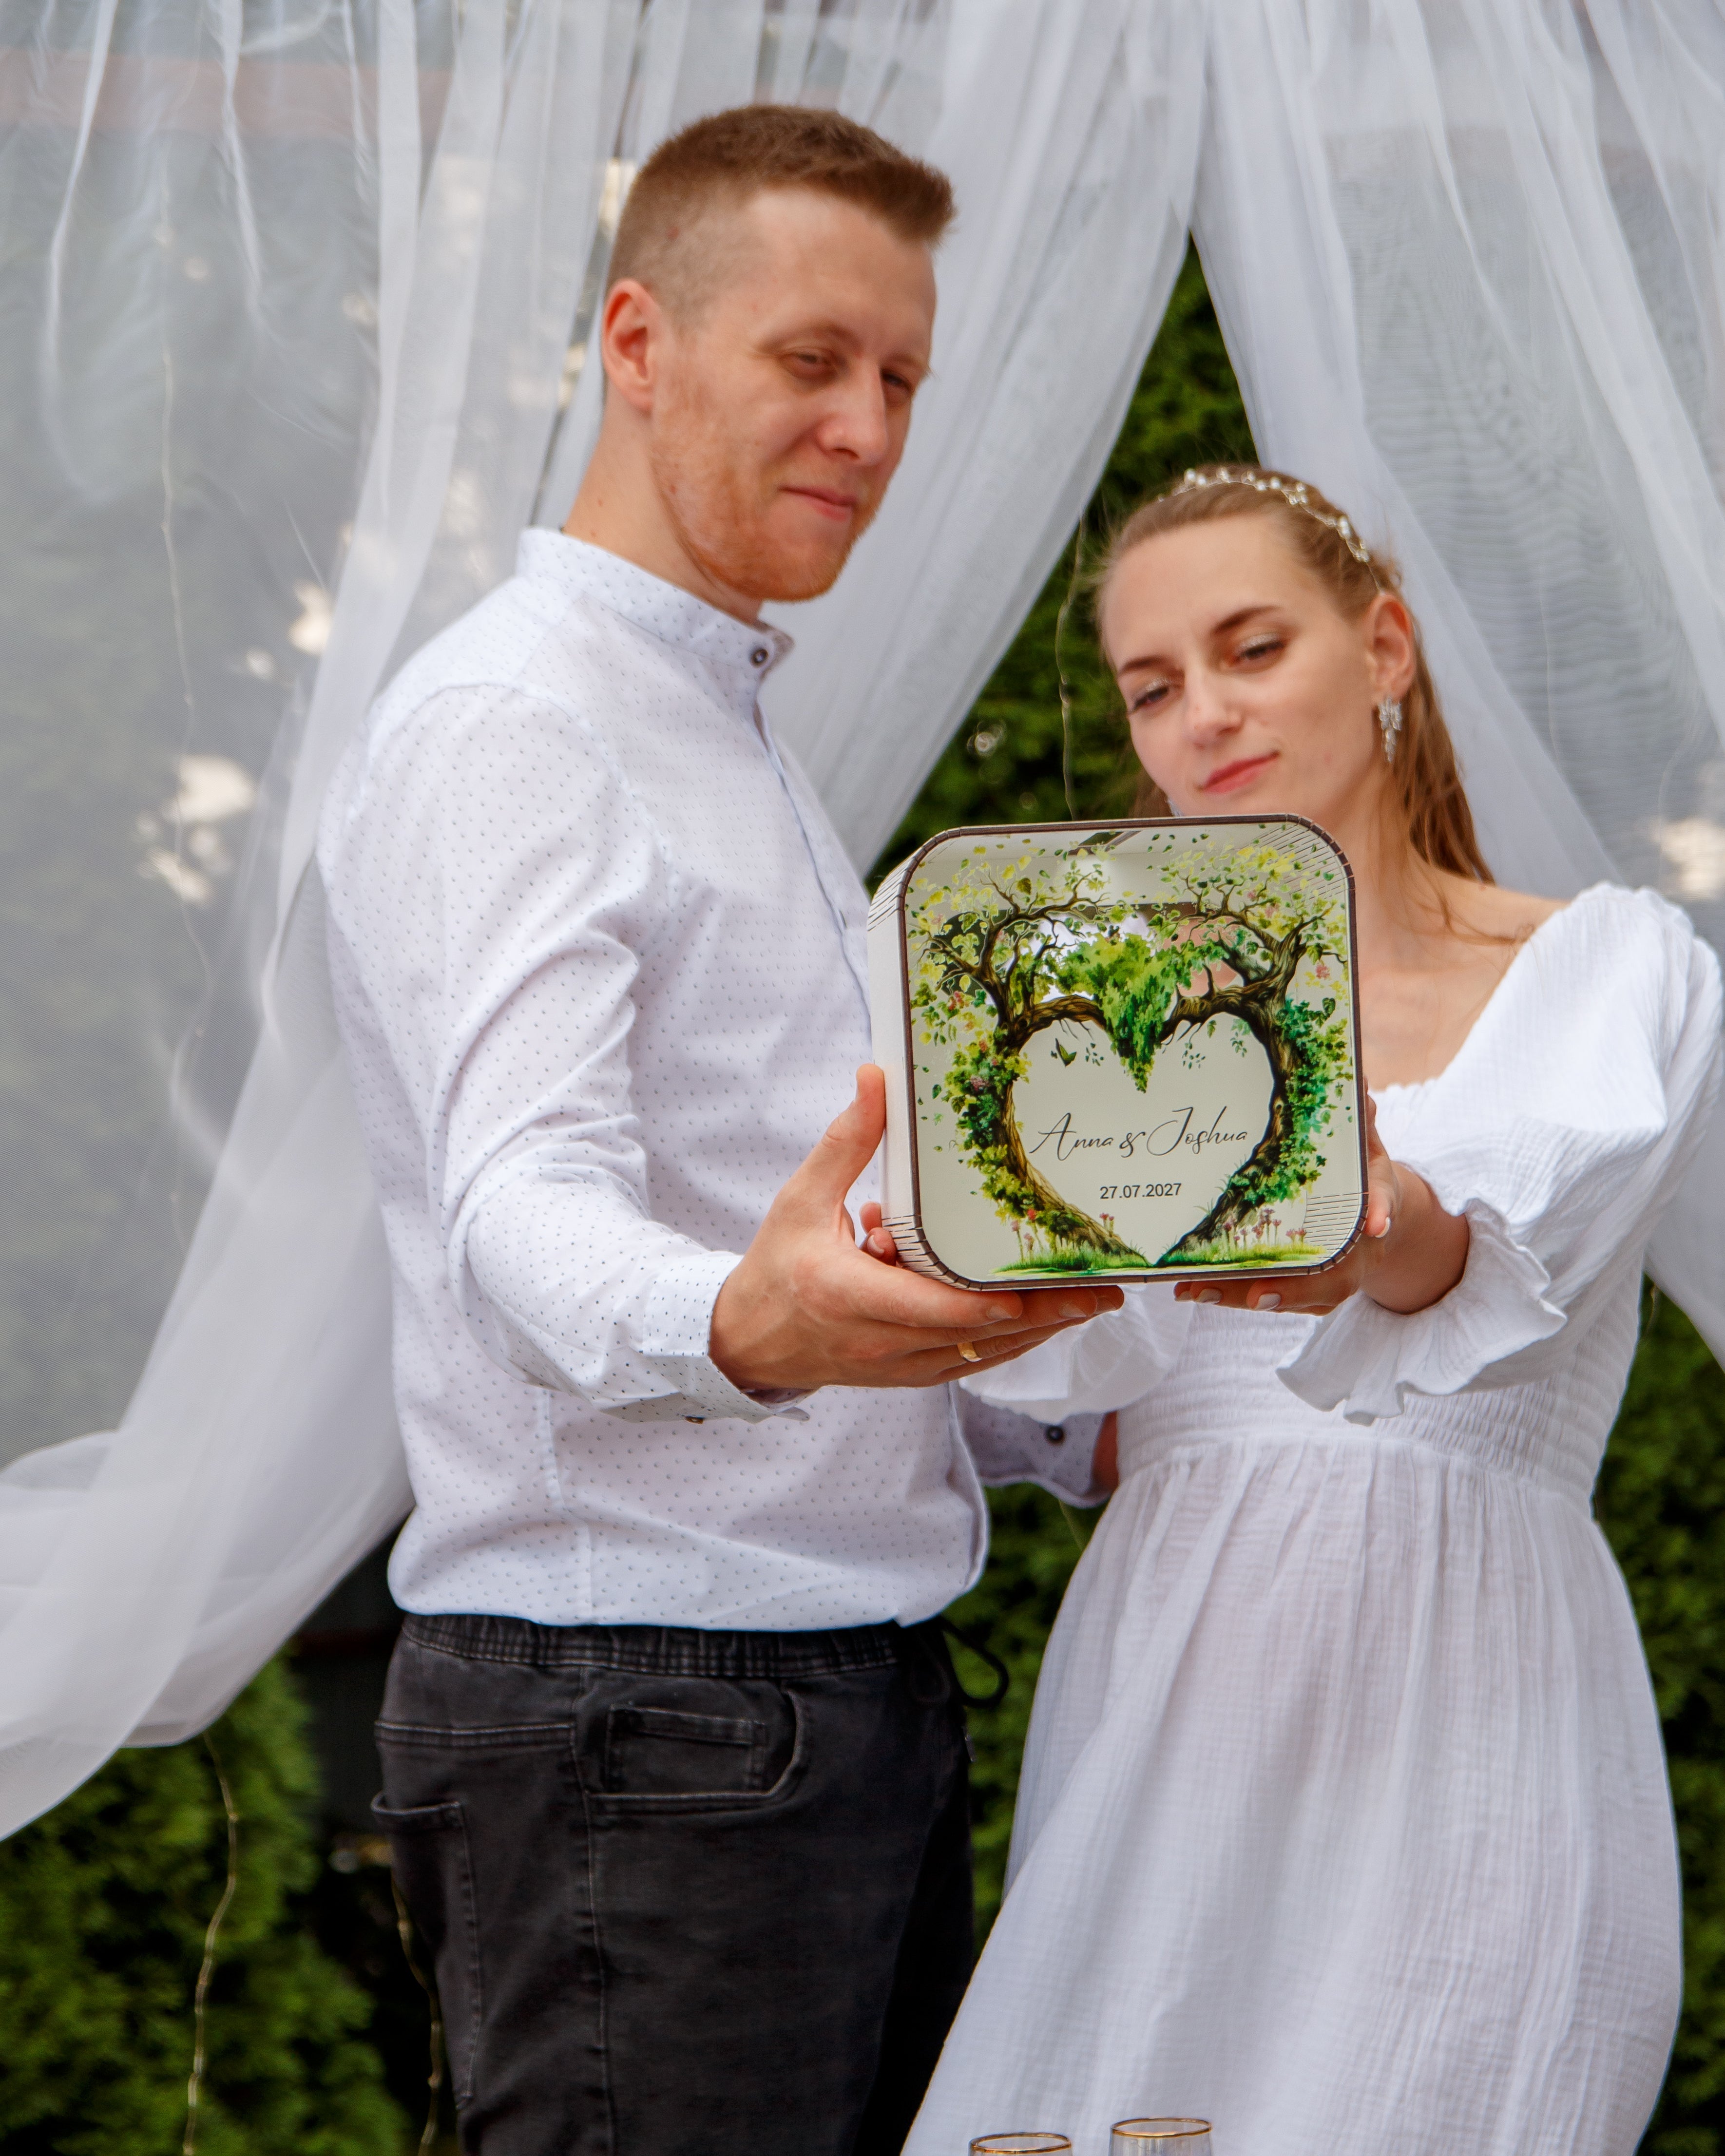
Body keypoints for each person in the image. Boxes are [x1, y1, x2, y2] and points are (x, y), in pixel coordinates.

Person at [317, 107, 1119, 2156]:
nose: (868, 424)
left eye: (905, 378)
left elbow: (798, 1208)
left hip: (809, 1707)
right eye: (812, 358)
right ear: (639, 340)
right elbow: (523, 1206)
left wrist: (1060, 1410)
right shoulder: (520, 724)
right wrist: (756, 1324)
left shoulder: (725, 729)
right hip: (645, 1718)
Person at [898, 466, 1724, 2156]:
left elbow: (1473, 1255)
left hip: (1476, 1697)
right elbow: (1023, 1371)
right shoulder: (1075, 1011)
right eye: (1151, 685)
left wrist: (1364, 1219)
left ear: (1385, 645)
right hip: (1176, 1701)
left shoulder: (1608, 969)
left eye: (1249, 646)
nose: (1201, 713)